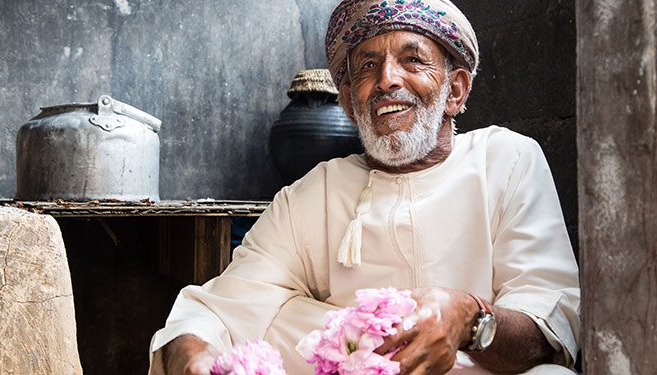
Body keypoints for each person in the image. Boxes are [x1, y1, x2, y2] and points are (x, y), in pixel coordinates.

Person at [149, 1, 580, 374]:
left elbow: (550, 320)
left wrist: (468, 317)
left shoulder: (506, 160)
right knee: (272, 322)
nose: (388, 80)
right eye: (368, 66)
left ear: (455, 90)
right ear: (350, 104)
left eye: (412, 60)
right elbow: (219, 308)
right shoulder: (313, 194)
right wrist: (195, 355)